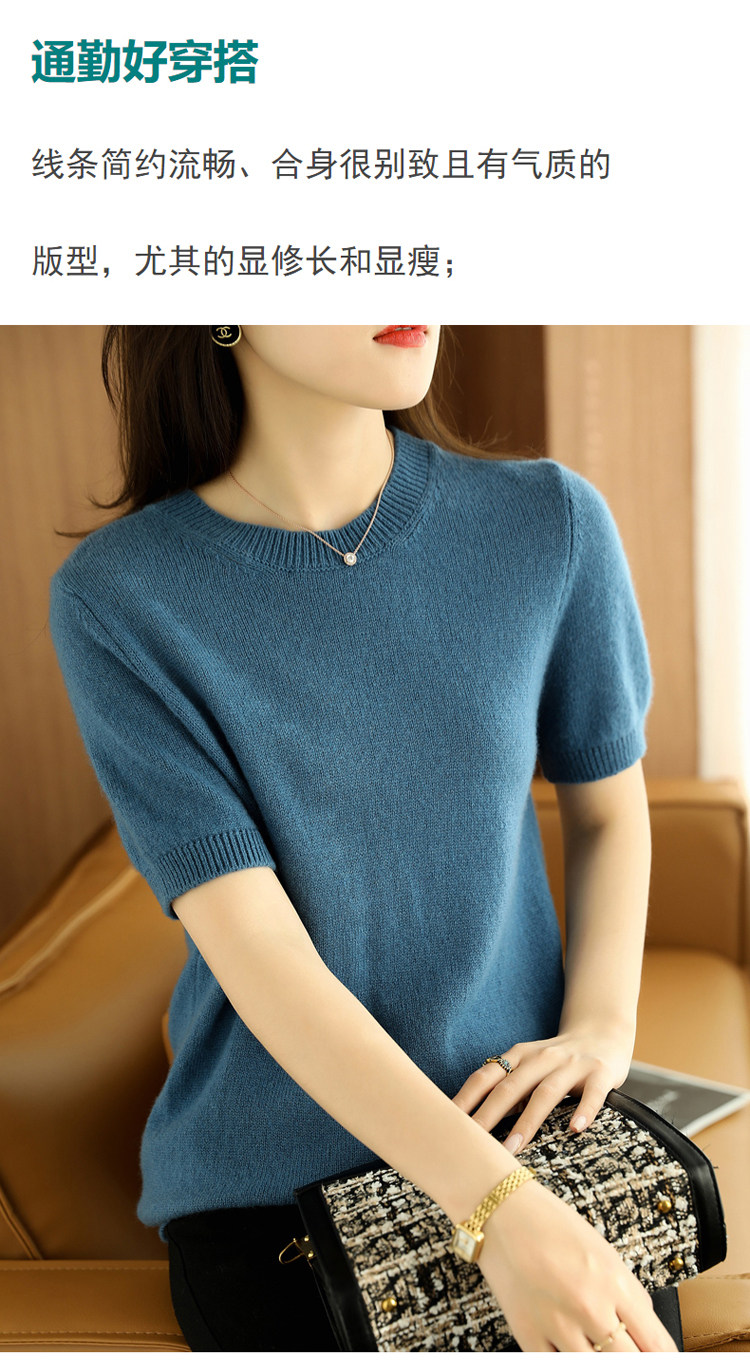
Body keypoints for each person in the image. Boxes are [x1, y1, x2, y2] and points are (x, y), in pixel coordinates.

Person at [48, 324, 678, 1354]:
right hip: (280, 1200)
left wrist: (601, 1028)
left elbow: (608, 811)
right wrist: (499, 1211)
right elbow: (261, 954)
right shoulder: (121, 598)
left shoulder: (548, 523)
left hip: (536, 1145)